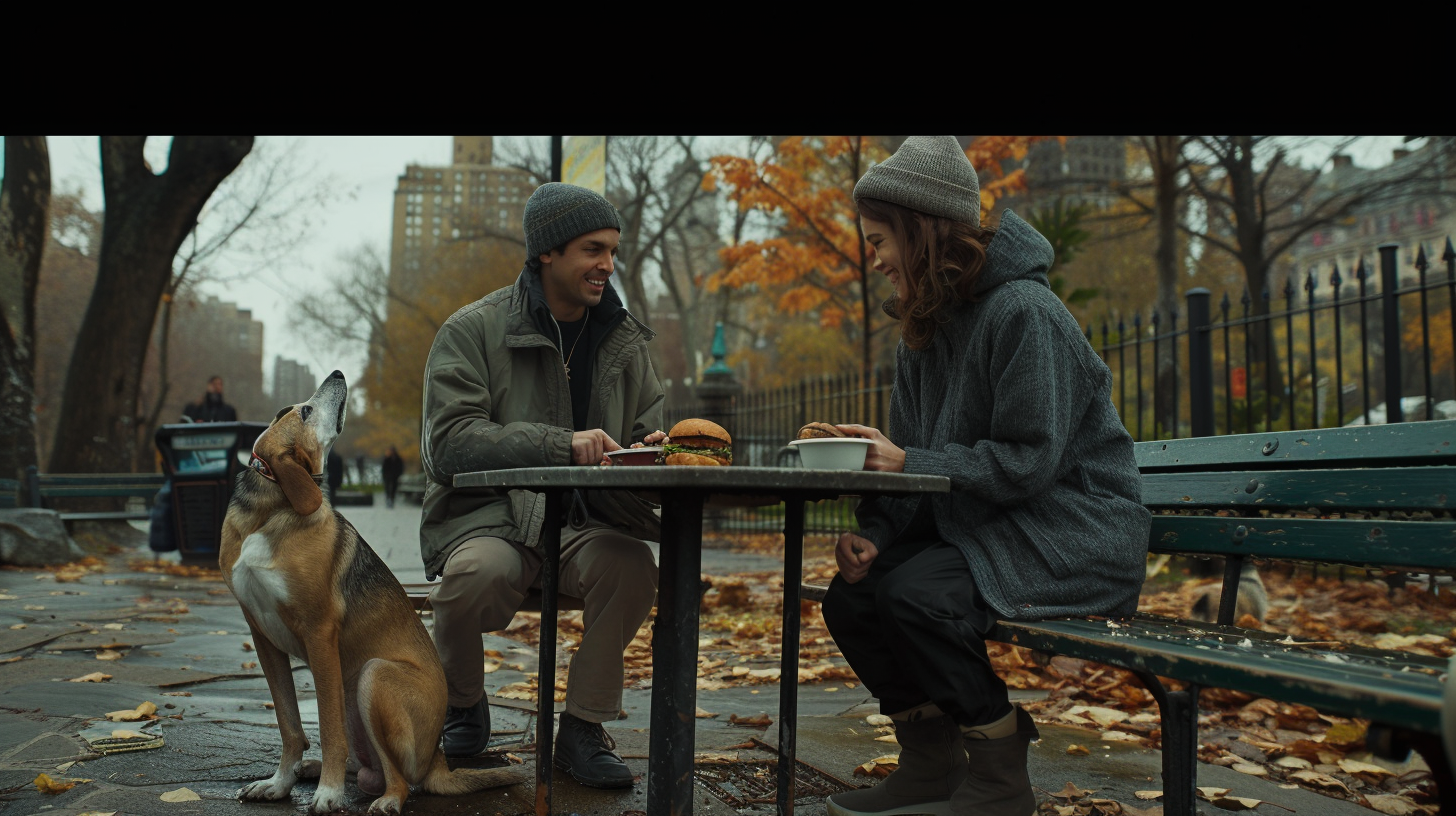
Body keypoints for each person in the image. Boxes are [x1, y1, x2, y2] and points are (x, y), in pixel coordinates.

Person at [820, 137, 1151, 816]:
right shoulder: (924, 330)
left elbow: (1030, 459)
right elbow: (910, 457)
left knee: (919, 597)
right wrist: (876, 534)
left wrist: (912, 462)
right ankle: (928, 765)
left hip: (1074, 529)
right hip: (998, 524)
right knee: (853, 597)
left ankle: (1000, 776)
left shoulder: (1025, 313)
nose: (874, 259)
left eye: (880, 240)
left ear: (923, 231)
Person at [418, 182, 666, 789]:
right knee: (474, 577)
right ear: (546, 254)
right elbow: (448, 443)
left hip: (586, 525)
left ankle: (581, 728)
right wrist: (561, 442)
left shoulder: (625, 341)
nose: (607, 264)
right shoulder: (471, 330)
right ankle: (462, 703)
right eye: (592, 249)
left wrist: (654, 453)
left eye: (612, 250)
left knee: (633, 567)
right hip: (492, 518)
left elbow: (643, 431)